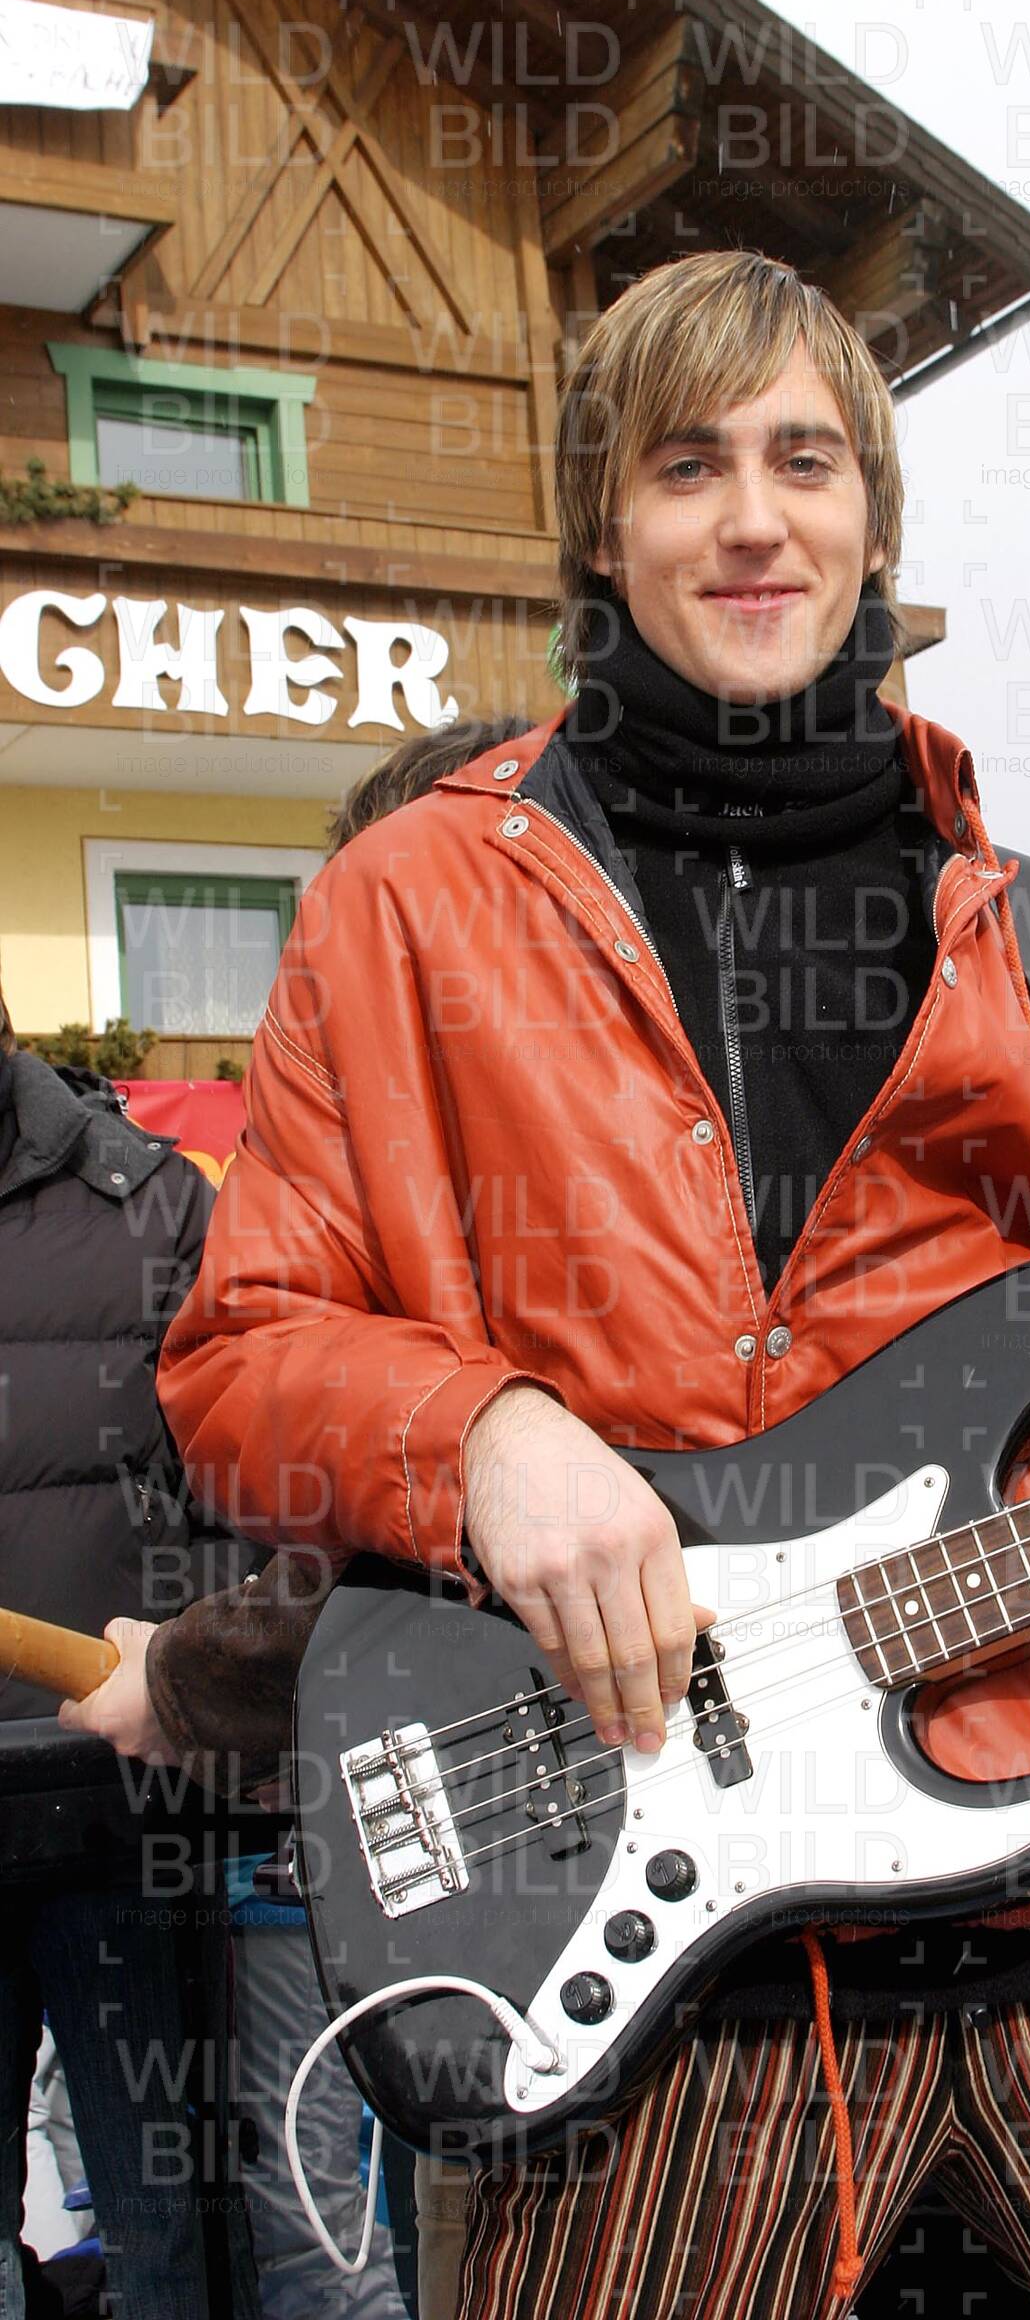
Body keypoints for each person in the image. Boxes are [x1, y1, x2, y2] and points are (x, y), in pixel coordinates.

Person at [155, 250, 1030, 2320]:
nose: (753, 520)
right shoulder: (406, 910)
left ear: (871, 519)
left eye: (804, 461)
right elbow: (243, 1355)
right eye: (687, 468)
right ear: (600, 526)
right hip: (644, 1924)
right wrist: (482, 1437)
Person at [56, 712, 534, 2320]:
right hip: (364, 1822)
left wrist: (189, 1676)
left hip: (562, 1844)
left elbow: (424, 1564)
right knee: (356, 2232)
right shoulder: (351, 1190)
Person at [0, 982, 260, 2318]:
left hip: (124, 1809)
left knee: (174, 2228)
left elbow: (247, 1490)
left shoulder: (152, 1204)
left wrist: (179, 1678)